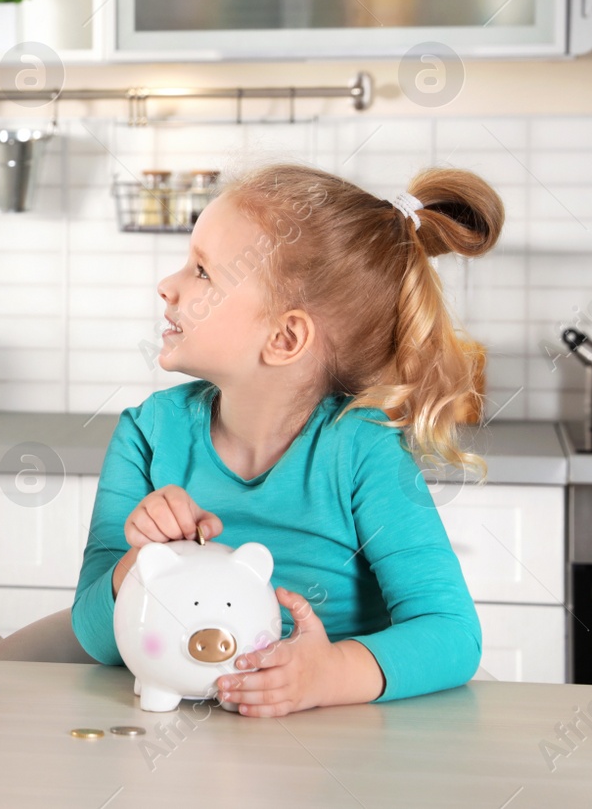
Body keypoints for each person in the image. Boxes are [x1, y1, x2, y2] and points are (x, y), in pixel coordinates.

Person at [68, 164, 502, 715]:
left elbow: (451, 634)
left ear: (285, 336)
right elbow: (93, 636)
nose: (168, 285)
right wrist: (142, 559)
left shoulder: (360, 451)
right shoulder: (147, 434)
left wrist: (326, 675)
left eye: (202, 272)